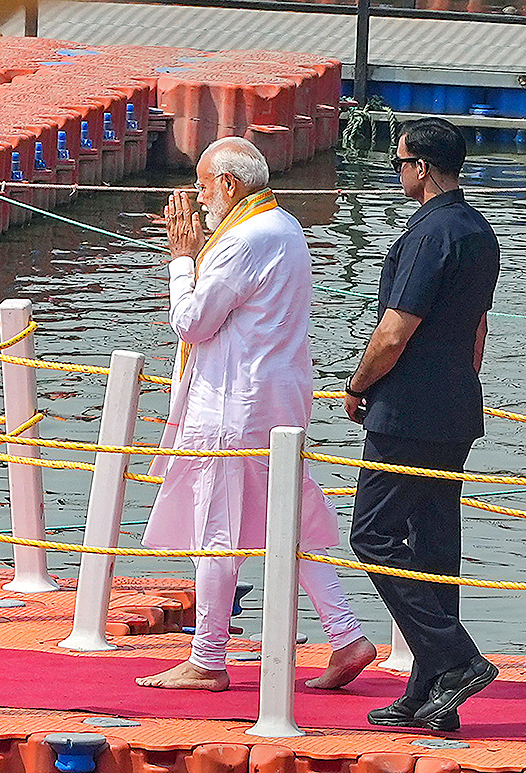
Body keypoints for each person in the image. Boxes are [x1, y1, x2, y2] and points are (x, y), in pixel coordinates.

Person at [136, 136, 377, 692]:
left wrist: (180, 261)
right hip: (276, 397)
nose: (197, 201)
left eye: (202, 187)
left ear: (229, 185)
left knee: (217, 525)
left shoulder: (242, 239)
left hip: (234, 404)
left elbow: (193, 321)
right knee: (287, 522)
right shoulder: (285, 227)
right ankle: (345, 636)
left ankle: (207, 658)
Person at [344, 117, 500, 730]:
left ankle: (455, 658)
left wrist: (358, 386)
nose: (397, 169)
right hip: (454, 406)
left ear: (424, 168)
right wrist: (460, 387)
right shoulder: (478, 231)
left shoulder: (428, 233)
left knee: (374, 536)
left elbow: (395, 328)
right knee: (435, 545)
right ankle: (431, 688)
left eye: (400, 159)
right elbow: (478, 329)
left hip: (407, 410)